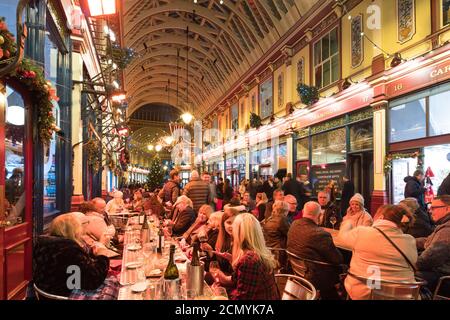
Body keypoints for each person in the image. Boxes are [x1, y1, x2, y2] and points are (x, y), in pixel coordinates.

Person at [338, 205, 418, 300]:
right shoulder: (410, 240)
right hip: (403, 294)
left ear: (381, 217)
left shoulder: (362, 233)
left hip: (366, 293)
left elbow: (342, 238)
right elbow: (413, 262)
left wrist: (348, 221)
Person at [32, 213, 112, 297]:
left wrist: (92, 253)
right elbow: (93, 281)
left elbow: (74, 269)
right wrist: (103, 255)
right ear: (75, 230)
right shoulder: (68, 249)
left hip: (46, 292)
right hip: (64, 294)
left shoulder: (44, 243)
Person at [214, 213, 280, 300]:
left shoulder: (249, 260)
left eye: (234, 228)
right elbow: (237, 280)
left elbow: (242, 298)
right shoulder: (257, 251)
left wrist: (220, 295)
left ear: (239, 233)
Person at [287, 201, 344, 300]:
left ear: (304, 211)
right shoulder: (320, 234)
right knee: (344, 267)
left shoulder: (294, 224)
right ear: (319, 215)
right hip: (315, 275)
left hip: (298, 270)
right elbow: (337, 259)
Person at [415, 195, 450, 293]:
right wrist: (407, 241)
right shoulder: (445, 226)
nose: (430, 211)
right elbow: (428, 241)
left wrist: (409, 264)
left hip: (444, 278)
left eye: (433, 208)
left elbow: (429, 259)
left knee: (406, 274)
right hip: (441, 273)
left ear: (447, 208)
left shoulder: (447, 230)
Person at [201, 207, 239, 276]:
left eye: (235, 223)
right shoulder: (222, 238)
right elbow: (216, 264)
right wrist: (210, 252)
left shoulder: (240, 241)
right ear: (223, 224)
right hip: (221, 276)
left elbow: (235, 273)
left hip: (229, 280)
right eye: (229, 222)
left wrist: (232, 261)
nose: (232, 226)